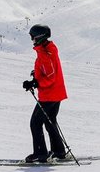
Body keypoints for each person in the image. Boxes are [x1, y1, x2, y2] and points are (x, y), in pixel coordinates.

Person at [22, 24, 68, 163]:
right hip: (56, 93)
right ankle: (59, 151)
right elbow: (47, 70)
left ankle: (40, 153)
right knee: (50, 122)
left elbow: (50, 76)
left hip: (49, 95)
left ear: (39, 37)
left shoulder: (44, 54)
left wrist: (35, 82)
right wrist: (36, 74)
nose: (32, 40)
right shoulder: (48, 49)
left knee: (35, 123)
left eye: (32, 37)